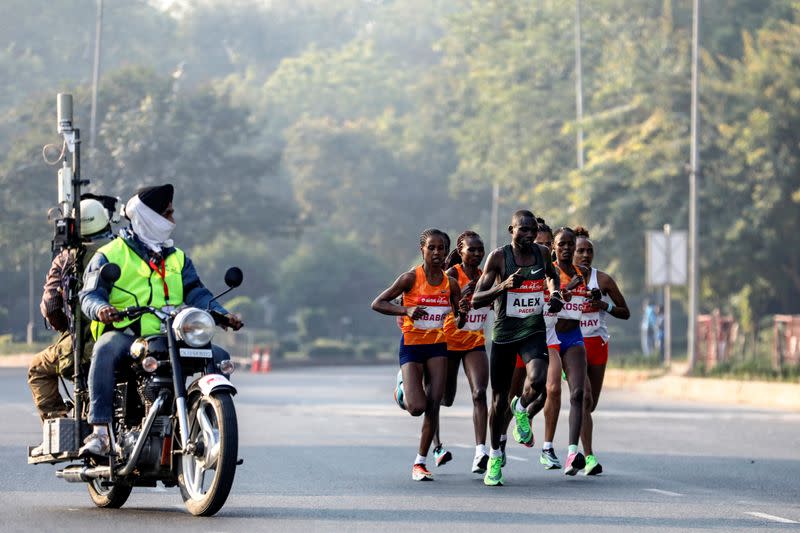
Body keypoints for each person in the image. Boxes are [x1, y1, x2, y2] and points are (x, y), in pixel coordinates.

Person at [78, 184, 243, 456]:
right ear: (150, 218)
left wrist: (222, 315)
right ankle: (101, 433)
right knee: (104, 348)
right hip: (128, 333)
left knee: (219, 354)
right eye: (167, 214)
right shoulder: (110, 254)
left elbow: (197, 293)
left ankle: (214, 424)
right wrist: (102, 309)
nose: (172, 221)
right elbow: (89, 295)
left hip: (172, 335)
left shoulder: (177, 258)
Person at [471, 210, 562, 486]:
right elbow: (476, 299)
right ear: (511, 230)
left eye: (532, 230)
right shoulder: (499, 257)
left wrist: (555, 292)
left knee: (537, 381)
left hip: (532, 330)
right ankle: (495, 456)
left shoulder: (542, 254)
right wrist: (504, 286)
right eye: (523, 230)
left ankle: (521, 407)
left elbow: (552, 276)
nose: (529, 235)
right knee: (498, 403)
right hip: (504, 335)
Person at [371, 228, 463, 481]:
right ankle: (403, 388)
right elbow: (377, 303)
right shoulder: (410, 278)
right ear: (422, 250)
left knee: (434, 405)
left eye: (441, 248)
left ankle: (420, 463)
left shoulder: (450, 284)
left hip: (438, 345)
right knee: (416, 408)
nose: (436, 252)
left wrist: (463, 311)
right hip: (411, 345)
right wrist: (406, 310)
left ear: (446, 252)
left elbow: (461, 316)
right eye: (431, 247)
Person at [28, 198, 114, 456]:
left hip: (84, 343)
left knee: (38, 368)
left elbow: (52, 307)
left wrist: (67, 329)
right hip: (129, 337)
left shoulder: (68, 258)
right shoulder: (123, 250)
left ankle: (60, 427)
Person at [529, 226, 592, 475]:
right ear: (553, 248)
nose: (567, 248)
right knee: (552, 388)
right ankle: (545, 444)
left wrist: (592, 295)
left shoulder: (583, 272)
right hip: (550, 335)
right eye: (562, 244)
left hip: (574, 336)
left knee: (578, 394)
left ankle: (573, 453)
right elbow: (547, 304)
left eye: (570, 245)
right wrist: (566, 290)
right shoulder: (549, 273)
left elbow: (584, 299)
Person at [433, 230, 490, 474]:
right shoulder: (451, 275)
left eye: (480, 250)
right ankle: (436, 447)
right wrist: (461, 299)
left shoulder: (485, 276)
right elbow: (437, 302)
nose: (477, 254)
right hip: (446, 342)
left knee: (479, 393)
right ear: (461, 249)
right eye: (472, 249)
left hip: (474, 341)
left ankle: (481, 453)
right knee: (442, 398)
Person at [574, 226, 629, 474]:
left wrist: (603, 306)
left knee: (590, 404)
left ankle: (577, 447)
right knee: (583, 397)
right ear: (569, 253)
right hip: (571, 345)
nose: (585, 255)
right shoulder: (559, 279)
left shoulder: (603, 280)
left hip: (597, 345)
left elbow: (625, 312)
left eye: (589, 251)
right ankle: (586, 456)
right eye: (580, 251)